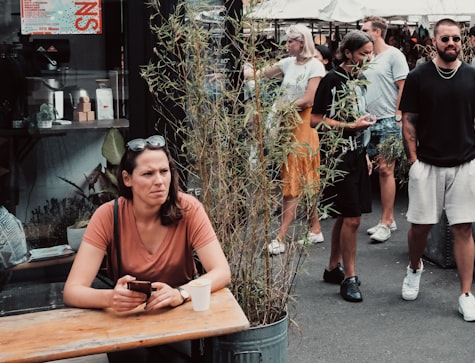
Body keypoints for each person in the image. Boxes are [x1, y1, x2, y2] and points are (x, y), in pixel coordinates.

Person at [64, 135, 232, 363]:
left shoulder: (188, 209)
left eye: (164, 171)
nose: (160, 181)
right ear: (127, 178)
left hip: (178, 319)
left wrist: (181, 293)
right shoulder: (107, 216)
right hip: (127, 325)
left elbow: (221, 271)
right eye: (148, 174)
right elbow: (73, 290)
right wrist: (111, 298)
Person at [398, 18, 475, 322]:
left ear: (461, 41)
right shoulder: (419, 76)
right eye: (445, 39)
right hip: (427, 163)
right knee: (420, 227)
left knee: (463, 228)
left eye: (455, 39)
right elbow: (408, 119)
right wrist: (412, 159)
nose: (451, 43)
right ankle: (415, 267)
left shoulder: (474, 77)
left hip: (466, 163)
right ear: (433, 42)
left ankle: (466, 294)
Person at [311, 31, 377, 303]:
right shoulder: (331, 80)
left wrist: (366, 152)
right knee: (352, 218)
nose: (368, 58)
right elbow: (315, 120)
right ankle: (349, 277)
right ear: (348, 53)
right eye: (363, 53)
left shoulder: (358, 81)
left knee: (345, 215)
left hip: (357, 155)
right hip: (337, 157)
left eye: (370, 53)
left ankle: (332, 268)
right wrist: (350, 126)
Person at [246, 24, 325, 255]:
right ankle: (315, 228)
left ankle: (280, 237)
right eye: (287, 41)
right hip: (284, 125)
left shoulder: (315, 65)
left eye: (291, 41)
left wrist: (283, 107)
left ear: (302, 42)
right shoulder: (288, 63)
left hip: (301, 126)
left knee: (293, 179)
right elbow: (259, 74)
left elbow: (309, 99)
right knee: (301, 179)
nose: (287, 45)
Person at [360, 16, 409, 243]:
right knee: (376, 170)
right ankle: (387, 218)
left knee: (385, 170)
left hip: (388, 119)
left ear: (377, 32)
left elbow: (404, 87)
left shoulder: (394, 55)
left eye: (364, 29)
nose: (361, 32)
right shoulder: (368, 57)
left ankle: (387, 221)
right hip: (369, 120)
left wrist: (398, 116)